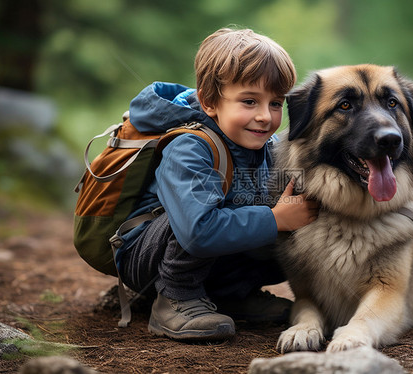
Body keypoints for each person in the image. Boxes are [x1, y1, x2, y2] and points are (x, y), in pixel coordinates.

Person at [115, 27, 319, 341]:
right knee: (201, 217)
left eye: (276, 103)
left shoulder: (270, 148)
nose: (265, 116)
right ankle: (175, 298)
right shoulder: (190, 148)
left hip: (210, 251)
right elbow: (197, 232)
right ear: (210, 103)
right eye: (249, 101)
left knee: (295, 230)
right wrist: (276, 218)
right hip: (149, 254)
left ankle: (231, 296)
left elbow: (293, 201)